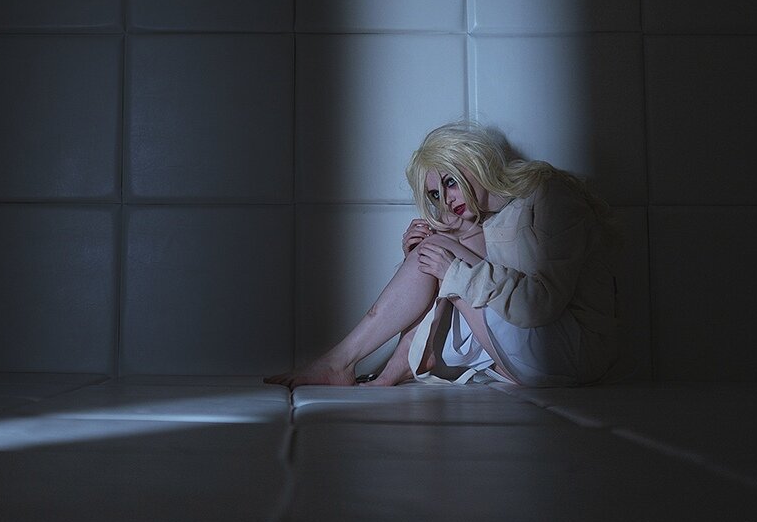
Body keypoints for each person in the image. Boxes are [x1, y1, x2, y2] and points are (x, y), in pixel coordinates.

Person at [266, 121, 626, 389]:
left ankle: (345, 363)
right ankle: (378, 372)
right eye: (436, 195)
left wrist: (451, 268)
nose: (447, 200)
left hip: (570, 353)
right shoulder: (485, 221)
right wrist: (422, 257)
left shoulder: (548, 195)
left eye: (449, 182)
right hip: (521, 359)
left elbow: (538, 306)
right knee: (434, 252)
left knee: (440, 255)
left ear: (473, 161)